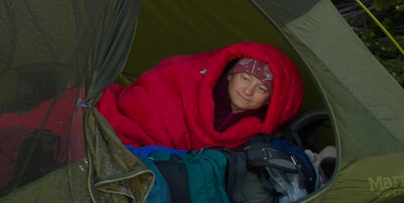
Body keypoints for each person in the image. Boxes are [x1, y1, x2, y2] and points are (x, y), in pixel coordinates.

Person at [95, 41, 304, 151]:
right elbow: (152, 98)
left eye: (261, 89)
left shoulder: (260, 134)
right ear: (230, 76)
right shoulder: (195, 82)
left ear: (270, 100)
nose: (248, 91)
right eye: (245, 78)